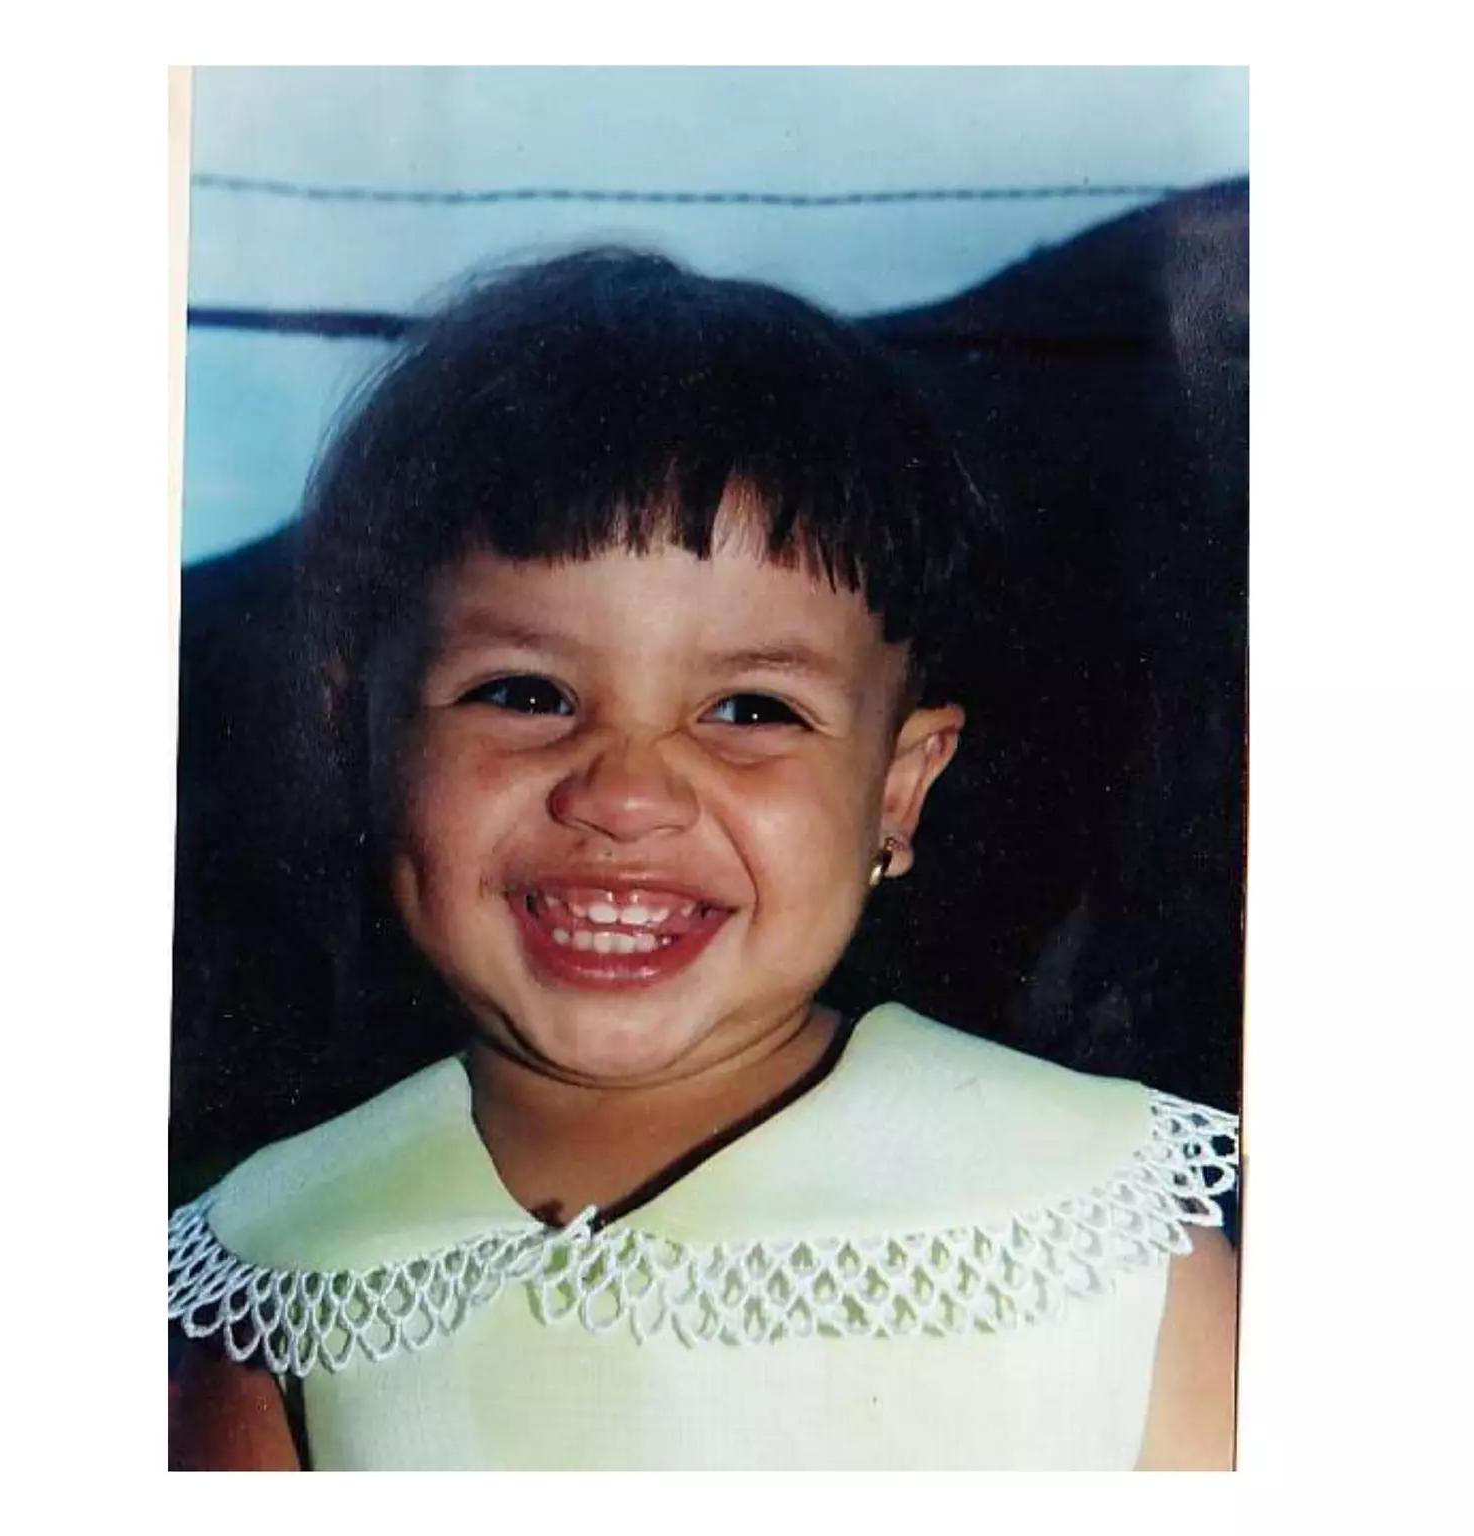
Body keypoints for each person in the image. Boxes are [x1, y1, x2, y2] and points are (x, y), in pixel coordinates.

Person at [167, 249, 1240, 1470]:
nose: (625, 795)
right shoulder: (280, 1265)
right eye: (524, 692)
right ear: (356, 736)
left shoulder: (1093, 1218)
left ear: (898, 787)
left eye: (749, 710)